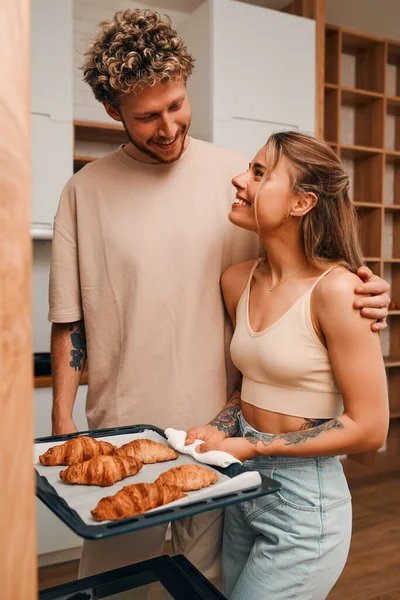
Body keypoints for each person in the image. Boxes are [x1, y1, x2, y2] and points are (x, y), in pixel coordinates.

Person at [48, 8, 390, 585]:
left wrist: (367, 284)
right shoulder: (84, 191)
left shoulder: (237, 178)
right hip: (121, 435)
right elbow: (69, 322)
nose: (168, 126)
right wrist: (63, 422)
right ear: (113, 113)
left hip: (217, 438)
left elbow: (305, 259)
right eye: (147, 117)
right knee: (114, 588)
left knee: (205, 585)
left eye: (176, 105)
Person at [185, 131, 389, 600]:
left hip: (303, 500)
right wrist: (220, 428)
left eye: (259, 173)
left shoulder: (338, 291)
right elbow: (254, 387)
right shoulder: (237, 281)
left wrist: (255, 449)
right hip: (241, 486)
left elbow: (370, 429)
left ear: (302, 203)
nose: (239, 179)